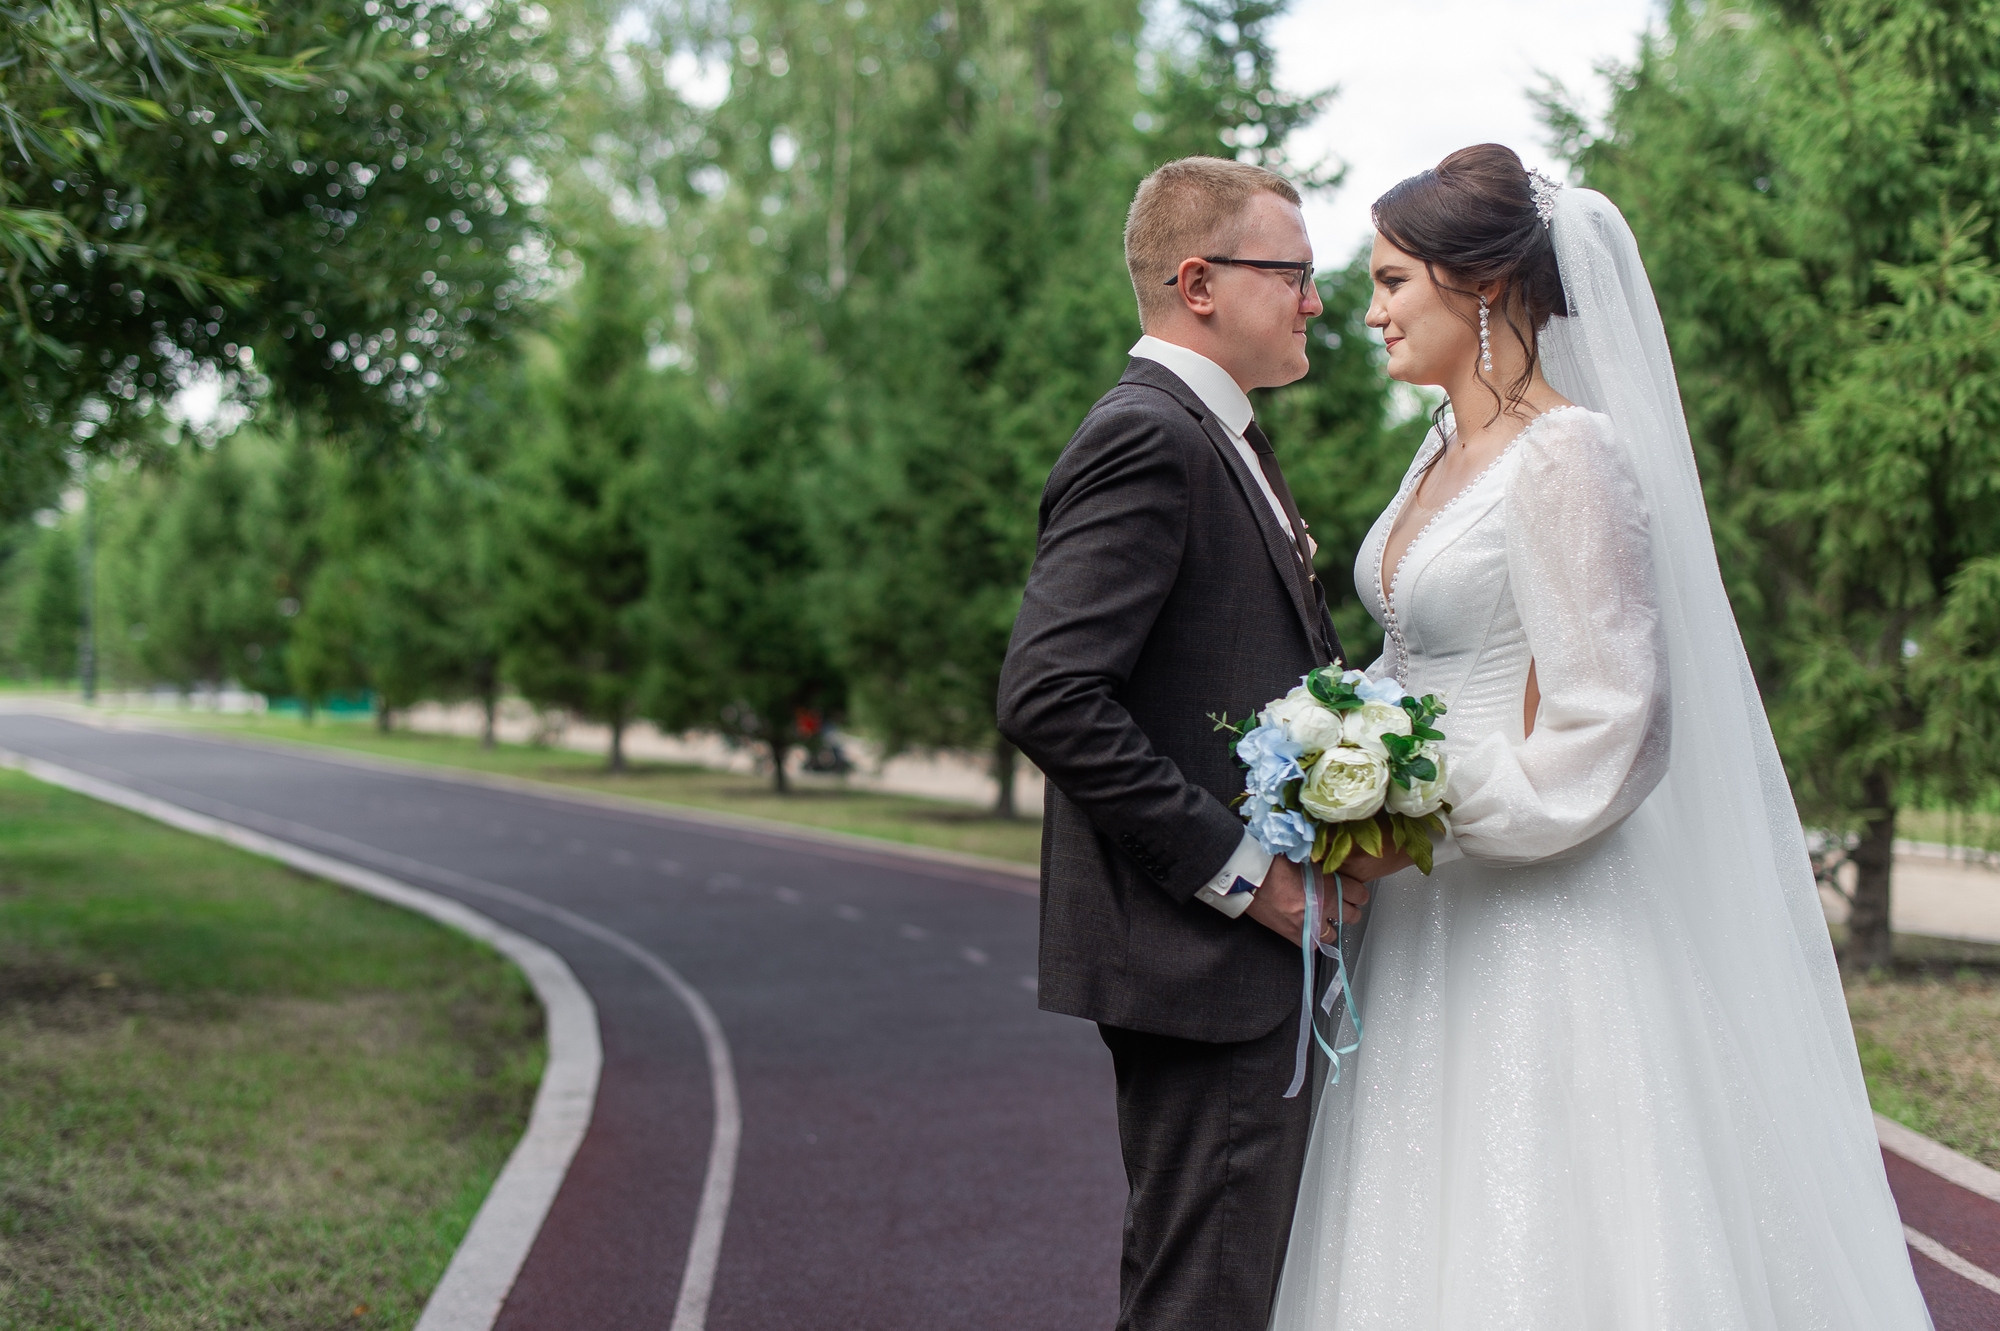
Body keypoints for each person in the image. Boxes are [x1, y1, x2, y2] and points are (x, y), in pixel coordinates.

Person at [1268, 144, 1933, 1329]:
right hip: (1428, 913)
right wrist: (1324, 755)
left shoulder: (1566, 453)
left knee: (1545, 1231)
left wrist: (1414, 808)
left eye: (1387, 281)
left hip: (1539, 911)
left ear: (1477, 284)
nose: (1363, 310)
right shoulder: (1437, 447)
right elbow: (1417, 652)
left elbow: (1611, 723)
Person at [997, 156, 1385, 1331]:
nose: (1316, 301)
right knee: (1201, 1298)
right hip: (1197, 962)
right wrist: (1242, 874)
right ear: (1198, 281)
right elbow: (1049, 692)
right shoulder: (1148, 435)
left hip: (1226, 970)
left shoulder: (1219, 437)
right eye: (1295, 274)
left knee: (1220, 1285)